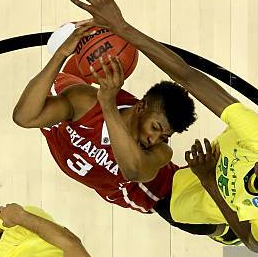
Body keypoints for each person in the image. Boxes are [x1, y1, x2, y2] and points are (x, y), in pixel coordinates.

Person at [68, 0, 258, 252]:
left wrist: (209, 179)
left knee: (213, 227)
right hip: (192, 180)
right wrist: (122, 28)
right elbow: (187, 76)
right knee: (211, 213)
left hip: (202, 199)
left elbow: (253, 244)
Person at [12, 22, 196, 214]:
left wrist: (108, 103)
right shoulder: (84, 103)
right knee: (69, 80)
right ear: (141, 107)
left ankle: (222, 233)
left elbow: (133, 171)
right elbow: (23, 118)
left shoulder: (161, 152)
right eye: (156, 128)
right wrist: (61, 53)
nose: (155, 140)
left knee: (187, 215)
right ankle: (81, 36)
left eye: (165, 137)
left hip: (160, 190)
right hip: (67, 90)